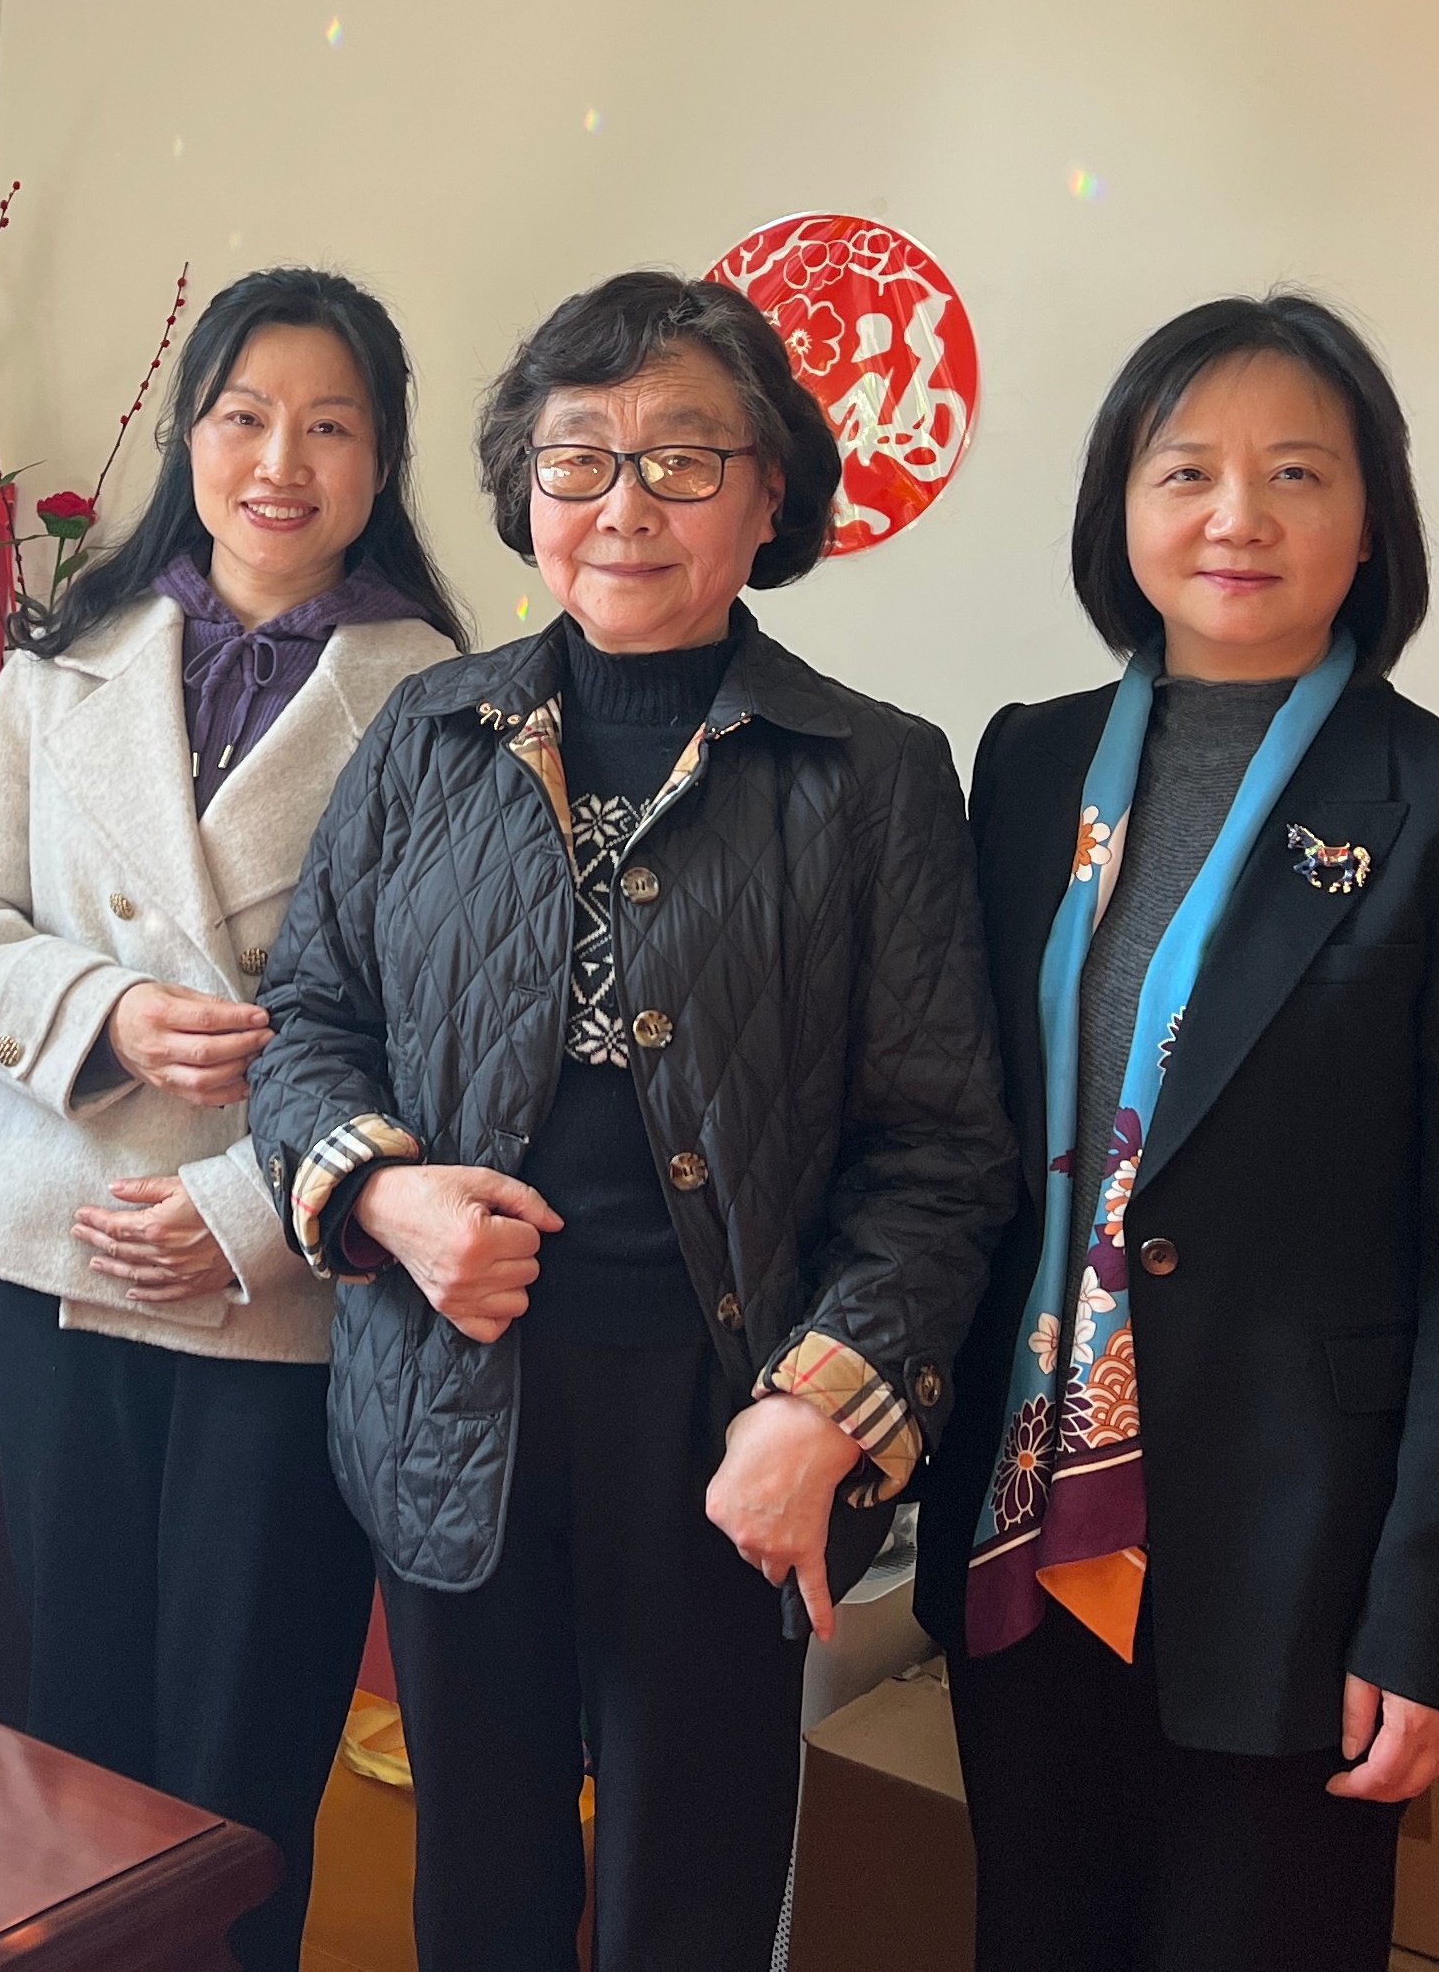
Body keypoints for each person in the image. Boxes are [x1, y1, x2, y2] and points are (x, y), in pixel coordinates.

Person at [247, 271, 1018, 1972]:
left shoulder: (871, 772)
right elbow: (307, 1023)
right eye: (578, 455)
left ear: (768, 495)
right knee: (480, 1896)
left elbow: (939, 1152)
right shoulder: (426, 734)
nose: (623, 504)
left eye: (681, 457)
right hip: (455, 1393)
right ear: (525, 486)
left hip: (724, 1420)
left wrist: (820, 1407)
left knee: (692, 1897)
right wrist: (381, 1200)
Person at [911, 294, 1439, 1972]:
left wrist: (1435, 1620)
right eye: (1187, 470)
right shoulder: (1024, 769)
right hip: (1019, 1524)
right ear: (1119, 508)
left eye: (1296, 472)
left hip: (1298, 1563)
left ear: (1368, 521)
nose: (1238, 515)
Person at [0, 268, 468, 1972]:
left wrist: (237, 1211)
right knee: (72, 1726)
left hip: (278, 1287)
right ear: (186, 436)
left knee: (238, 1755)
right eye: (243, 416)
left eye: (329, 425)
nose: (279, 461)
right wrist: (103, 1012)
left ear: (381, 460)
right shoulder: (63, 658)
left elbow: (456, 1032)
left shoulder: (449, 700)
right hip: (57, 1245)